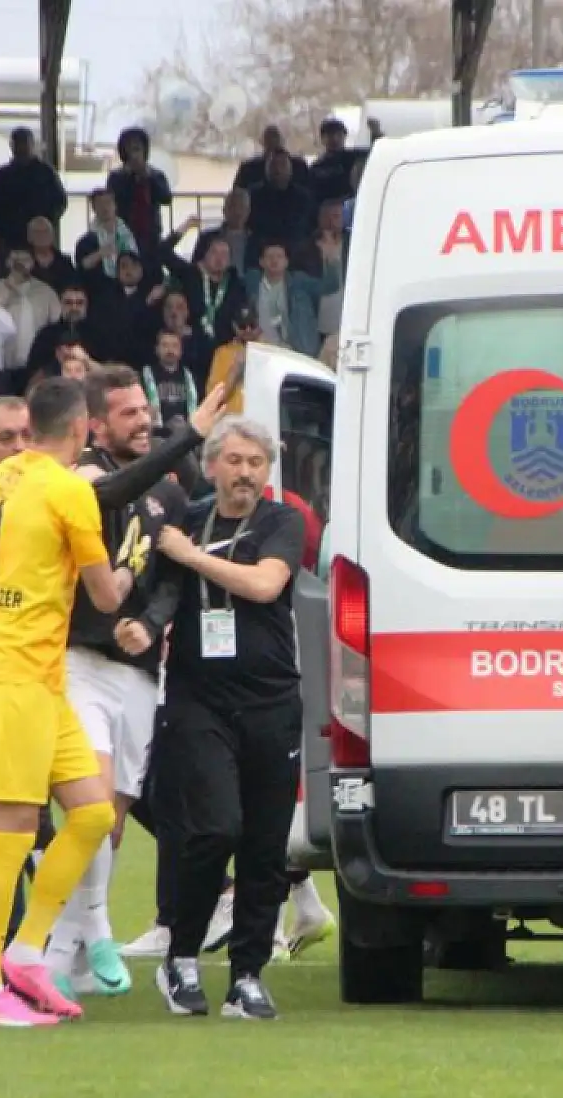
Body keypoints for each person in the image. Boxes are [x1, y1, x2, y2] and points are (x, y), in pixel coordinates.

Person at [0, 377, 220, 1027]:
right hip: (12, 680)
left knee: (91, 812)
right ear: (82, 427)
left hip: (41, 676)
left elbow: (104, 492)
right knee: (12, 830)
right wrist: (132, 564)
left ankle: (28, 949)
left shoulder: (8, 475)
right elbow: (107, 597)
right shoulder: (70, 490)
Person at [151, 415, 312, 1021]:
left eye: (257, 463)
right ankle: (182, 956)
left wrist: (191, 558)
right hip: (199, 699)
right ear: (213, 465)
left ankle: (247, 974)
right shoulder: (184, 519)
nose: (246, 473)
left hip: (271, 700)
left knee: (266, 844)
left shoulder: (281, 521)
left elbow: (266, 586)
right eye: (236, 461)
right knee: (215, 827)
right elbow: (156, 586)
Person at [45, 369, 188, 998]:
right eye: (127, 413)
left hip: (137, 671)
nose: (143, 421)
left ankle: (73, 947)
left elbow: (170, 578)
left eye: (145, 410)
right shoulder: (85, 478)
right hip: (79, 658)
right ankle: (61, 946)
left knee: (113, 821)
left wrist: (152, 624)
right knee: (90, 806)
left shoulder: (172, 497)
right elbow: (104, 504)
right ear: (96, 424)